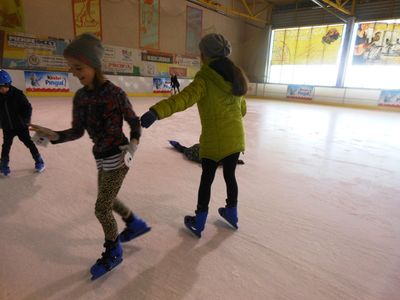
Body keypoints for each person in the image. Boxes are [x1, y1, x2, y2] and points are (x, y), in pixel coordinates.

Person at [29, 33, 150, 280]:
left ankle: (114, 251)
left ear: (94, 64)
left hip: (119, 156)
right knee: (108, 198)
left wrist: (134, 144)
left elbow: (134, 122)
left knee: (101, 208)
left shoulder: (115, 94)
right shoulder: (81, 97)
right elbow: (76, 131)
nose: (74, 72)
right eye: (71, 68)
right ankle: (134, 223)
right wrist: (53, 135)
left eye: (78, 67)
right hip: (101, 157)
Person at [141, 33, 247, 238]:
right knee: (230, 176)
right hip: (236, 139)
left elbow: (183, 99)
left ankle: (199, 221)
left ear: (205, 55)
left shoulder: (205, 78)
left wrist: (156, 112)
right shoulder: (235, 77)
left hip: (215, 141)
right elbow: (241, 109)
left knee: (206, 179)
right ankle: (232, 214)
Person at [0, 69, 45, 176]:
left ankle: (39, 160)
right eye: (0, 87)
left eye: (4, 87)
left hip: (20, 126)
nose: (2, 89)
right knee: (6, 146)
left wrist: (26, 120)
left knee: (29, 143)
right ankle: (4, 164)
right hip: (7, 127)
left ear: (9, 84)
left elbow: (28, 108)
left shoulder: (18, 95)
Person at [169, 140, 244, 165]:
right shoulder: (222, 157)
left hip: (202, 149)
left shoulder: (224, 153)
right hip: (195, 153)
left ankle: (176, 144)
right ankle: (176, 144)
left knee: (184, 149)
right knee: (184, 150)